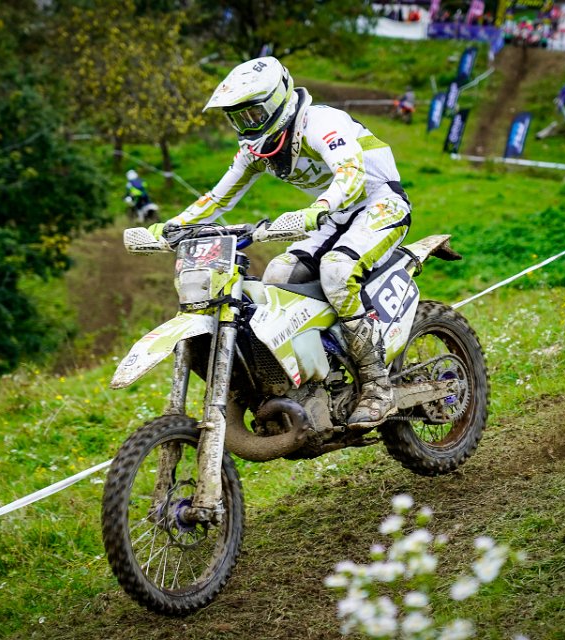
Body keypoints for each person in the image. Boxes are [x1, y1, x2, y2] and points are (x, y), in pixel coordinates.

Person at [151, 56, 410, 430]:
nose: (247, 125)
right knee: (277, 275)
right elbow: (219, 197)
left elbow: (350, 174)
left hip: (379, 203)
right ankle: (315, 377)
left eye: (253, 114)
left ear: (277, 101)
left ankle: (377, 386)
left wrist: (318, 208)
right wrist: (173, 226)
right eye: (238, 119)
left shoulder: (321, 123)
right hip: (333, 215)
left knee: (337, 272)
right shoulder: (256, 148)